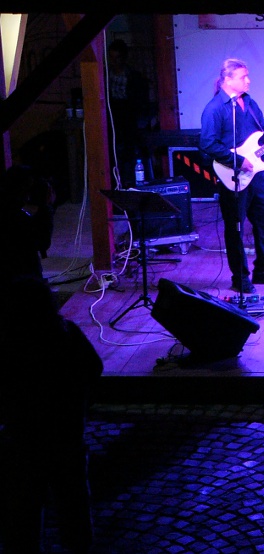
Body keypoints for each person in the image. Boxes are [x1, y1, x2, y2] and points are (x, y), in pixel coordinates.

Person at [0, 276, 104, 552]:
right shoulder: (67, 333)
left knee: (23, 511)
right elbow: (94, 368)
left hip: (24, 440)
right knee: (74, 503)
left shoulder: (11, 345)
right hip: (67, 436)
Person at [200, 58, 264, 293]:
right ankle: (240, 278)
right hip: (232, 175)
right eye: (243, 77)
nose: (248, 80)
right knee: (235, 227)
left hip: (255, 173)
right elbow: (207, 143)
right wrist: (239, 161)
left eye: (248, 76)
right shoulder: (215, 108)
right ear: (228, 80)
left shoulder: (249, 103)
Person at [0, 164, 56, 285]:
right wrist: (45, 209)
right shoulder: (16, 218)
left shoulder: (12, 211)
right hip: (22, 277)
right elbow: (42, 242)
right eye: (28, 187)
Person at [106, 38, 150, 186]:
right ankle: (115, 181)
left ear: (124, 58)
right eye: (112, 57)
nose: (114, 61)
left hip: (128, 115)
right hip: (112, 115)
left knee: (128, 151)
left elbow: (139, 99)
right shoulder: (106, 75)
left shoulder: (132, 76)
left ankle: (129, 181)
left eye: (117, 57)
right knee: (113, 150)